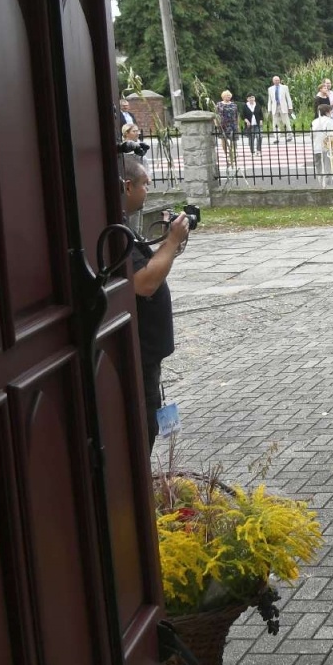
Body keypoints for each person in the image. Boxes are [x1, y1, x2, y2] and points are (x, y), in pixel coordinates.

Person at [122, 155, 190, 448]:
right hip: (139, 352)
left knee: (150, 414)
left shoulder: (123, 225)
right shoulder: (115, 231)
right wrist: (172, 242)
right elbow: (145, 282)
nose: (147, 190)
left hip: (148, 352)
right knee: (144, 425)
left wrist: (168, 246)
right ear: (127, 187)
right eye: (145, 185)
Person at [311, 101, 333, 178]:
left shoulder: (314, 121)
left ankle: (321, 182)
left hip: (316, 147)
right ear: (327, 112)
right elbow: (332, 135)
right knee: (328, 168)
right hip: (327, 148)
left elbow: (312, 135)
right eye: (330, 111)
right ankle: (327, 184)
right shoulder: (330, 121)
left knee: (319, 167)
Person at [214, 91, 239, 170]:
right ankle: (226, 154)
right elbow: (215, 114)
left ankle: (232, 156)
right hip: (223, 125)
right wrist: (216, 123)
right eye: (226, 95)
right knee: (224, 141)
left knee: (233, 142)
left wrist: (237, 124)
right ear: (223, 96)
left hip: (232, 125)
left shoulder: (234, 105)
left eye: (229, 95)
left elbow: (236, 115)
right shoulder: (219, 104)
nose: (228, 97)